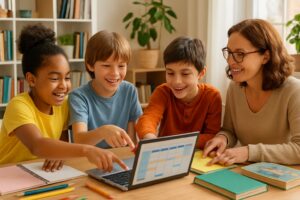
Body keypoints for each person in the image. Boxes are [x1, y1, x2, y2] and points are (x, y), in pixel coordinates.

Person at [0, 24, 127, 172]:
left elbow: (61, 142)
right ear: (31, 79)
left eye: (67, 77)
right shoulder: (19, 105)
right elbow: (37, 145)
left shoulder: (64, 104)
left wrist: (58, 154)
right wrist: (87, 150)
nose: (63, 86)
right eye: (54, 79)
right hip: (8, 174)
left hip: (42, 172)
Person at [203, 19, 300, 165]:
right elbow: (230, 130)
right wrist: (222, 138)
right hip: (247, 171)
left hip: (286, 179)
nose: (230, 61)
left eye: (240, 54)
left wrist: (249, 152)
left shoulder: (293, 90)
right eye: (229, 53)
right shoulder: (234, 88)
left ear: (265, 56)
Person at [135, 36, 222, 149]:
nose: (177, 82)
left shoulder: (212, 96)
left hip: (199, 157)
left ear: (201, 73)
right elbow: (147, 119)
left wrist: (176, 143)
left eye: (185, 74)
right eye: (170, 73)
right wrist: (150, 139)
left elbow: (212, 136)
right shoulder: (163, 92)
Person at [68, 30, 142, 150]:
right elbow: (79, 140)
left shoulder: (129, 91)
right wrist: (103, 132)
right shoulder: (79, 97)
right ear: (90, 65)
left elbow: (131, 140)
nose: (115, 73)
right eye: (106, 66)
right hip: (90, 160)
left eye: (121, 66)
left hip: (120, 159)